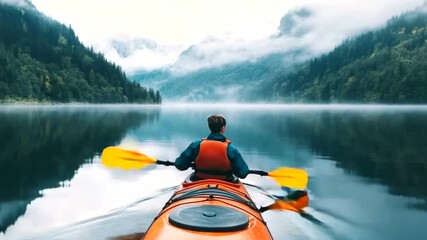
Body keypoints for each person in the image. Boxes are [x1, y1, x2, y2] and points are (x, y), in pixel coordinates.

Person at [175, 114, 249, 181]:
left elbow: (180, 165)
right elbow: (242, 173)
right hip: (224, 182)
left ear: (210, 128)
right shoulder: (231, 149)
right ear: (223, 128)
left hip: (200, 181)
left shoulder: (196, 145)